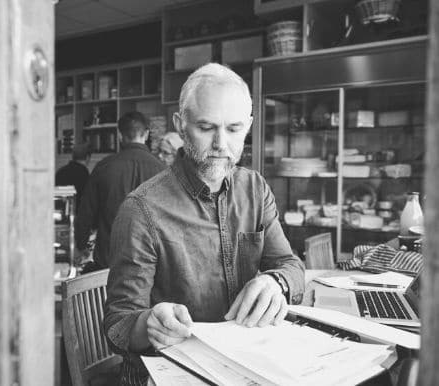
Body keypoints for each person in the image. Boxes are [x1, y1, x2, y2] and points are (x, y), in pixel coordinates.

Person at [104, 63, 305, 385]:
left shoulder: (255, 188)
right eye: (206, 127)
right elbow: (118, 325)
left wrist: (276, 283)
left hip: (243, 364)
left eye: (234, 129)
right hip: (168, 372)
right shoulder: (141, 210)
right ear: (180, 125)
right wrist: (149, 324)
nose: (221, 145)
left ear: (249, 126)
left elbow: (289, 264)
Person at [75, 111, 165, 269]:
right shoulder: (162, 170)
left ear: (119, 135)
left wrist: (81, 246)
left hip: (108, 263)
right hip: (149, 264)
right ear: (146, 134)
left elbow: (85, 214)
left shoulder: (103, 167)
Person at [55, 143, 91, 211]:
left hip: (59, 214)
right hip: (77, 214)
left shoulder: (60, 172)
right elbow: (88, 200)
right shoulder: (84, 174)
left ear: (73, 156)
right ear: (87, 158)